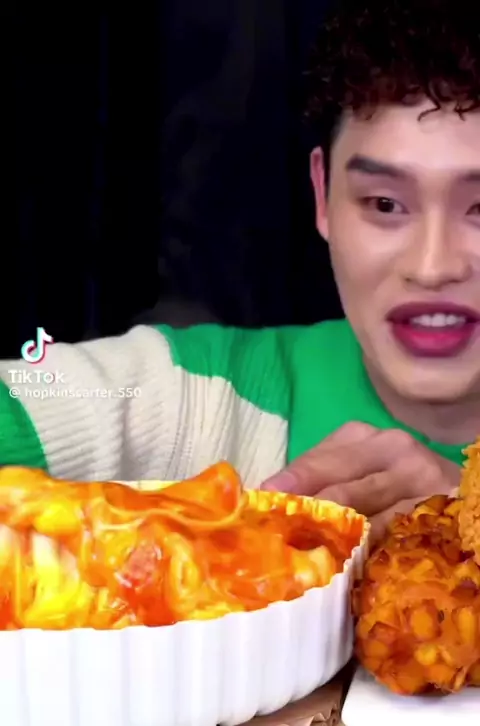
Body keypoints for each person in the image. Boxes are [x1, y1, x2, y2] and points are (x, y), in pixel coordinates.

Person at [1, 0, 479, 539]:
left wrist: (468, 520)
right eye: (385, 204)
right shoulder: (196, 394)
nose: (432, 267)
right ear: (322, 194)